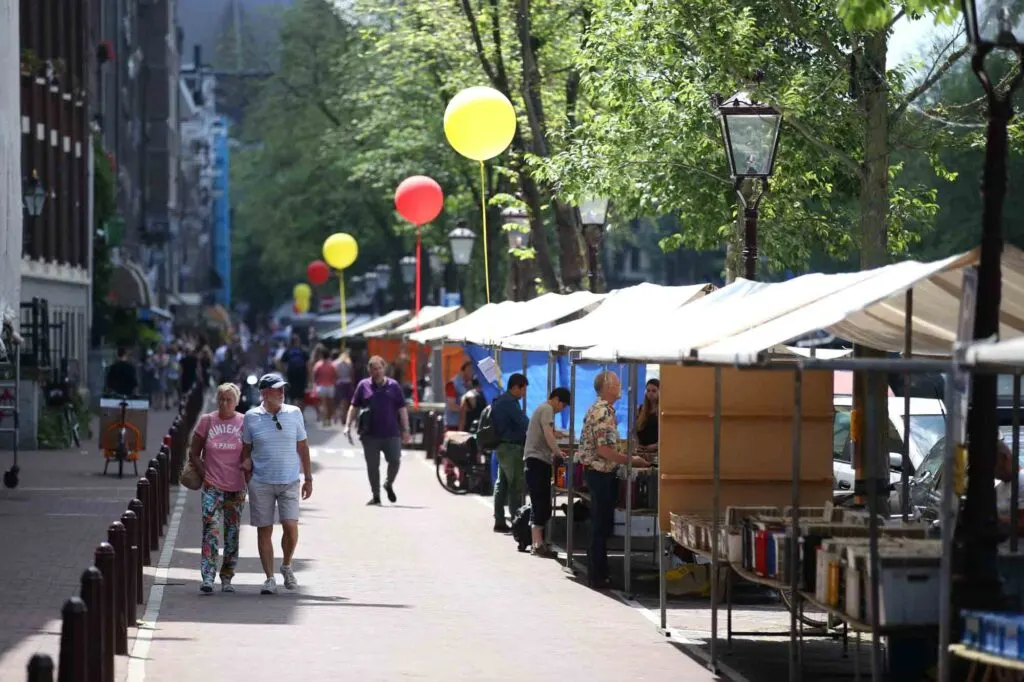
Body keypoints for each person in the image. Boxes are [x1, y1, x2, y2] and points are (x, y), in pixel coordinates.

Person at [240, 373, 313, 595]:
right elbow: (246, 452)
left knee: (291, 527)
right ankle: (269, 578)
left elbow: (303, 447)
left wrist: (308, 478)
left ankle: (287, 565)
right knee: (265, 530)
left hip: (289, 480)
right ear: (264, 393)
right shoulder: (251, 417)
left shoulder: (294, 413)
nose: (282, 393)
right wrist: (249, 481)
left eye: (283, 389)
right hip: (261, 482)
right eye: (277, 389)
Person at [578, 370, 649, 589]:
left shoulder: (601, 410)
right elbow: (604, 450)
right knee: (600, 525)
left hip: (598, 472)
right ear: (607, 386)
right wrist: (631, 460)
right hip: (600, 473)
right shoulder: (602, 412)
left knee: (601, 524)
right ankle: (599, 576)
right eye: (617, 383)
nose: (621, 386)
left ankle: (598, 572)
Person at [188, 383, 247, 594]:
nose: (224, 403)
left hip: (236, 487)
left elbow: (250, 453)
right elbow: (193, 453)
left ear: (236, 401)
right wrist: (205, 475)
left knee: (232, 534)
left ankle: (227, 576)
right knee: (210, 530)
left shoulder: (244, 422)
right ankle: (207, 576)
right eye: (221, 399)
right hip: (212, 486)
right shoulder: (207, 421)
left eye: (229, 399)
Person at [345, 356, 412, 505]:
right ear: (369, 370)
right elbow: (354, 406)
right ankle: (376, 495)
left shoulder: (394, 386)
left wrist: (406, 430)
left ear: (384, 368)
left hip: (391, 432)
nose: (377, 372)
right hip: (370, 435)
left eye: (380, 368)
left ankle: (388, 483)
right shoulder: (363, 385)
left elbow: (402, 409)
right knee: (372, 466)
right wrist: (347, 425)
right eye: (374, 369)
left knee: (395, 460)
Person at [523, 387, 571, 557]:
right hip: (537, 461)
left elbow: (549, 433)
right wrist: (558, 452)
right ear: (556, 399)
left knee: (539, 503)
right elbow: (548, 435)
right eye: (563, 405)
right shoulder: (547, 409)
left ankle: (538, 543)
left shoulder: (541, 409)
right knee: (541, 503)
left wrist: (556, 435)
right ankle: (538, 544)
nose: (562, 409)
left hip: (534, 461)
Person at [490, 373, 530, 532]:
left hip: (502, 447)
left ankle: (500, 520)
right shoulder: (510, 403)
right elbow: (524, 422)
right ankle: (517, 521)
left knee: (502, 484)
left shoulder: (501, 400)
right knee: (515, 486)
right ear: (515, 387)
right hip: (511, 448)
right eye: (523, 389)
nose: (524, 393)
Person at [278, 335, 309, 408]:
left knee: (291, 396)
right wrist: (309, 376)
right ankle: (300, 414)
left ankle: (292, 414)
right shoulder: (302, 350)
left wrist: (284, 372)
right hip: (302, 375)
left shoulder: (288, 351)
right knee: (301, 397)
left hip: (291, 375)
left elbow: (280, 362)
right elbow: (308, 364)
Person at [445, 361, 475, 431]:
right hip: (453, 425)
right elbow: (451, 406)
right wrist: (467, 410)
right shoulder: (452, 384)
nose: (473, 372)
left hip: (466, 424)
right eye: (470, 370)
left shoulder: (469, 385)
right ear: (463, 370)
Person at [312, 347, 338, 427]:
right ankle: (329, 420)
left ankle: (324, 420)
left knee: (323, 404)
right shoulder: (332, 365)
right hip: (330, 386)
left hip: (321, 387)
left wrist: (314, 384)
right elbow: (336, 375)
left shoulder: (318, 364)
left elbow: (314, 375)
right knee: (330, 404)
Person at [635, 378, 660, 455]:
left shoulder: (663, 411)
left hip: (657, 452)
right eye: (648, 391)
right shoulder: (640, 409)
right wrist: (636, 444)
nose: (650, 393)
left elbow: (669, 434)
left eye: (654, 391)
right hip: (641, 452)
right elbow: (635, 431)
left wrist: (657, 445)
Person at [333, 350, 354, 425]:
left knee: (339, 401)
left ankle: (337, 417)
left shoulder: (335, 363)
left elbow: (335, 374)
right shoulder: (349, 363)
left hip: (339, 383)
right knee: (346, 402)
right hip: (347, 383)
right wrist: (352, 384)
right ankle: (343, 417)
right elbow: (352, 374)